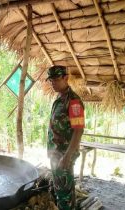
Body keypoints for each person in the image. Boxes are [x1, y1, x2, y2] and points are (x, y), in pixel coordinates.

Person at [46, 65, 85, 210]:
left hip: (63, 155)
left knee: (64, 196)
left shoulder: (73, 101)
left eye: (56, 79)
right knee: (63, 192)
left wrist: (67, 157)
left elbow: (78, 130)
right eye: (51, 80)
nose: (53, 83)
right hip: (57, 154)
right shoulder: (60, 98)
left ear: (66, 78)